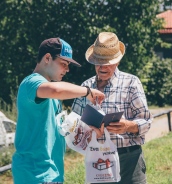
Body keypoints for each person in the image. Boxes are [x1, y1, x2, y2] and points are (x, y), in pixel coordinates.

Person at [11, 37, 105, 184]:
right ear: (47, 58)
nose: (67, 70)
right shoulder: (31, 82)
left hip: (52, 173)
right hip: (34, 173)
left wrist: (86, 133)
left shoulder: (49, 93)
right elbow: (57, 90)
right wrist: (87, 91)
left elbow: (55, 134)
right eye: (63, 64)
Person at [72, 32, 153, 184]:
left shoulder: (131, 83)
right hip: (97, 159)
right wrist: (85, 130)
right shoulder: (85, 87)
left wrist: (128, 125)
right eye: (98, 62)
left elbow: (147, 122)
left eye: (107, 62)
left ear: (117, 62)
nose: (102, 67)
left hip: (129, 160)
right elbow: (74, 125)